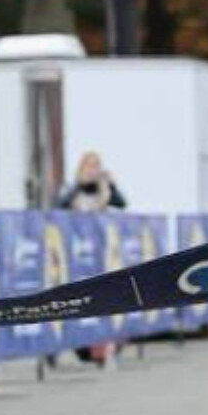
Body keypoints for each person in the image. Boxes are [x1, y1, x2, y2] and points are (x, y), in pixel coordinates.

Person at [59, 151, 126, 367]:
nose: (92, 170)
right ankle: (79, 347)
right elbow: (60, 204)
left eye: (96, 165)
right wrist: (79, 184)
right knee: (77, 298)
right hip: (77, 252)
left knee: (104, 297)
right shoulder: (72, 189)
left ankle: (105, 349)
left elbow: (121, 203)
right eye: (88, 166)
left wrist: (110, 184)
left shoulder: (103, 188)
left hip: (100, 251)